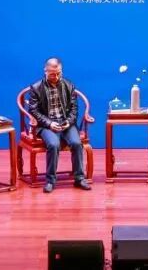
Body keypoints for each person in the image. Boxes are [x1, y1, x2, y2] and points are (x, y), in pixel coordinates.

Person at [27, 57, 91, 193]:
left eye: (58, 73)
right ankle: (50, 180)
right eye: (52, 74)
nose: (55, 77)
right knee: (53, 144)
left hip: (65, 123)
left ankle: (79, 178)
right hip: (46, 125)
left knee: (76, 143)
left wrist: (69, 121)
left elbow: (74, 109)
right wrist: (49, 123)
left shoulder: (69, 85)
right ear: (45, 71)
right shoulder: (36, 88)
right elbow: (33, 111)